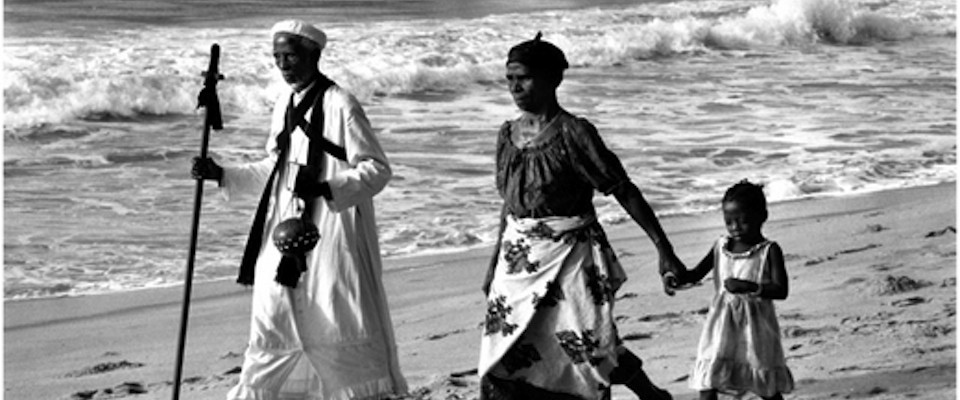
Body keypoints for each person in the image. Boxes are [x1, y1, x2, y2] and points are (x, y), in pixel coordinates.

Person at [192, 19, 407, 400]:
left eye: (290, 55)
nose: (283, 64)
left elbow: (377, 170)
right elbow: (274, 170)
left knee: (336, 315)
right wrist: (222, 174)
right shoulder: (284, 104)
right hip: (284, 227)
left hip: (333, 230)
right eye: (277, 56)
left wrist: (327, 187)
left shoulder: (341, 103)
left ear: (314, 55)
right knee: (272, 313)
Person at [478, 32, 685, 400]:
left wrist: (663, 249)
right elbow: (510, 203)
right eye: (509, 79)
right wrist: (495, 260)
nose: (514, 87)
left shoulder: (574, 133)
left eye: (523, 78)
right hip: (518, 256)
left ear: (552, 79)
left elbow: (623, 189)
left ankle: (651, 396)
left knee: (589, 342)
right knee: (508, 349)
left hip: (571, 252)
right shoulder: (507, 135)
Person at [676, 180, 794, 400]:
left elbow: (781, 290)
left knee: (763, 381)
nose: (735, 228)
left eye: (742, 221)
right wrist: (677, 278)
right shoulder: (720, 247)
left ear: (762, 216)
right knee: (709, 377)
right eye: (728, 222)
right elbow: (695, 274)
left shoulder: (768, 251)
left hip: (756, 328)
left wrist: (750, 287)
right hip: (720, 324)